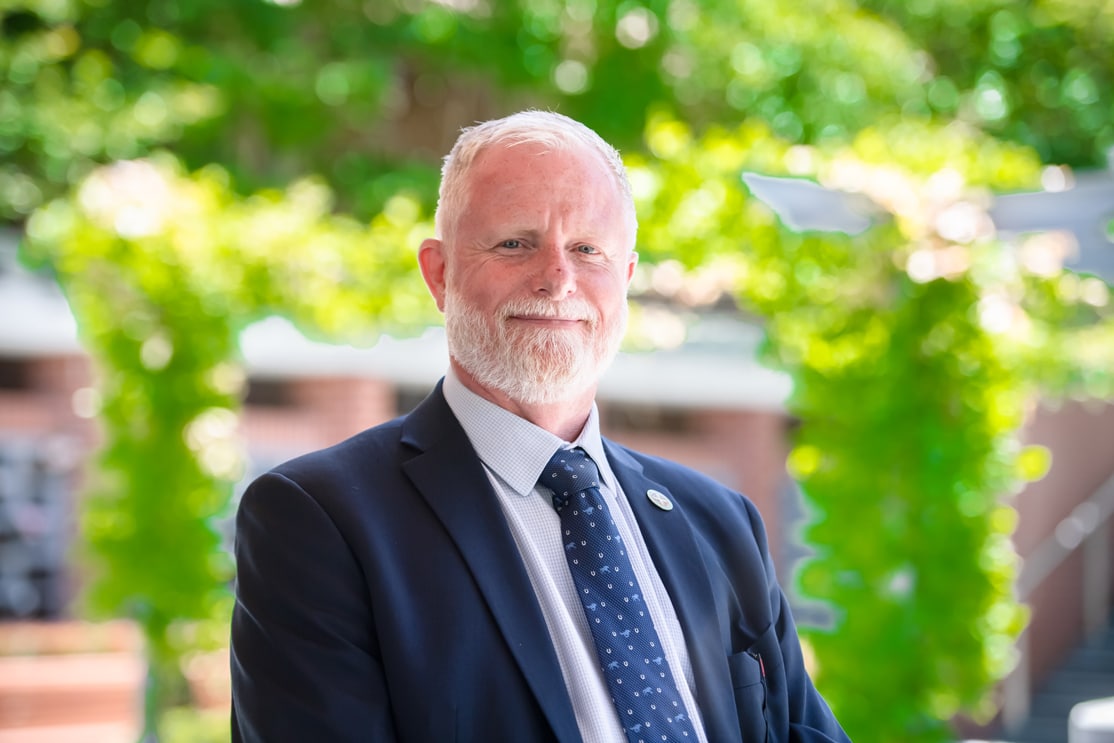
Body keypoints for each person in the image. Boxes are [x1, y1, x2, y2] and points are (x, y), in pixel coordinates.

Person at [230, 110, 850, 743]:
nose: (558, 279)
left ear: (626, 279)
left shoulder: (719, 524)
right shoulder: (319, 520)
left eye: (587, 249)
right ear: (439, 273)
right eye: (515, 243)